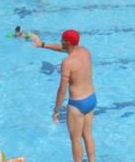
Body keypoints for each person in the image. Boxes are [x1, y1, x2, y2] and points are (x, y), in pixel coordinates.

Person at [31, 30, 96, 162]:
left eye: (62, 40)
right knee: (88, 135)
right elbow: (63, 48)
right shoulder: (85, 51)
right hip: (91, 99)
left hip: (78, 104)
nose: (60, 42)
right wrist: (41, 44)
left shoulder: (67, 62)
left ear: (67, 42)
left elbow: (62, 90)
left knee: (76, 140)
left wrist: (56, 110)